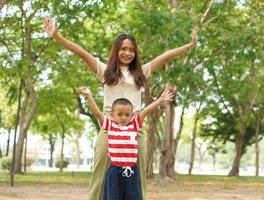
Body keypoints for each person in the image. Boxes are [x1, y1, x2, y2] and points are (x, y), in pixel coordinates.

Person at [43, 17, 199, 200]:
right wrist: (57, 37)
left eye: (131, 50)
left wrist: (190, 44)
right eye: (123, 49)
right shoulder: (105, 70)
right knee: (100, 173)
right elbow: (82, 53)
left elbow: (166, 55)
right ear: (116, 50)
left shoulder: (142, 72)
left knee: (138, 174)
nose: (127, 53)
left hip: (135, 129)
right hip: (109, 128)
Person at [79, 86, 173, 200]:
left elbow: (146, 111)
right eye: (119, 114)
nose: (123, 117)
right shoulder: (110, 126)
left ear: (132, 115)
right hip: (114, 172)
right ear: (112, 115)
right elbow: (97, 113)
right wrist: (89, 95)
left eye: (127, 115)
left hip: (132, 172)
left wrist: (160, 100)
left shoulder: (134, 126)